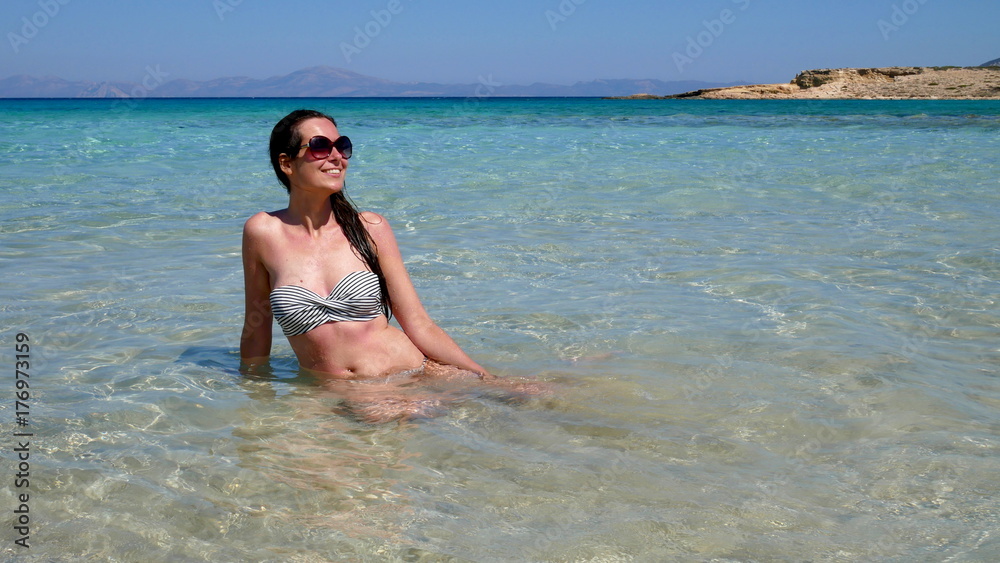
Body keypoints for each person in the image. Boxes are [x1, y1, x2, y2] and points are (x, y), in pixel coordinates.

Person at [240, 109, 493, 388]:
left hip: (411, 375)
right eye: (320, 146)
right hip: (338, 393)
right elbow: (256, 330)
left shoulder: (370, 228)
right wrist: (252, 397)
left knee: (521, 397)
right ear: (286, 163)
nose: (337, 156)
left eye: (342, 146)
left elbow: (419, 323)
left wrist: (485, 377)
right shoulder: (263, 232)